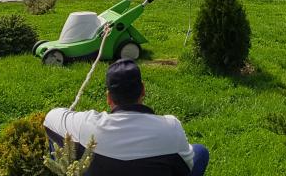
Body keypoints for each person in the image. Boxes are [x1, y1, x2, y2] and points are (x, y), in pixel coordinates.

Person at [44, 59, 209, 175]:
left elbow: (50, 117)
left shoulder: (86, 125)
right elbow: (186, 168)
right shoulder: (171, 127)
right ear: (143, 90)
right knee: (200, 151)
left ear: (109, 98)